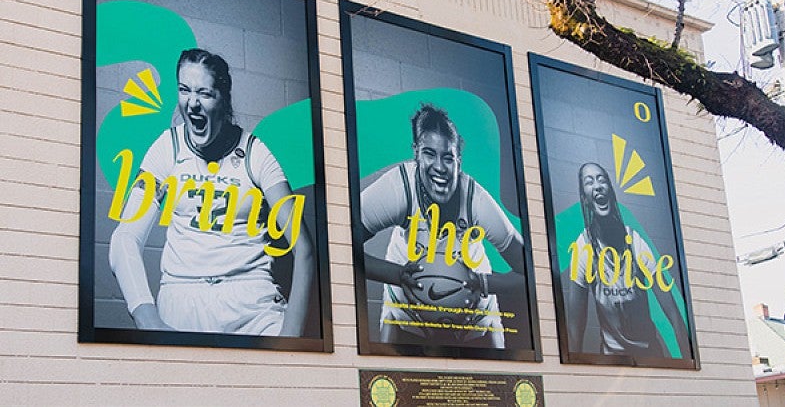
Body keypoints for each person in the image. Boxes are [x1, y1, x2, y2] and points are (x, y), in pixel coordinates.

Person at [109, 48, 314, 337]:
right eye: (184, 90)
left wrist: (291, 338)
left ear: (224, 99)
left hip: (251, 306)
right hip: (181, 300)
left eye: (204, 93)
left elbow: (303, 247)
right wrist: (147, 318)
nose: (192, 104)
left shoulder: (256, 153)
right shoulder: (167, 148)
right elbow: (125, 237)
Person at [360, 104, 525, 348]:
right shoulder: (398, 189)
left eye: (448, 157)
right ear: (416, 153)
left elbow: (530, 271)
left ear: (459, 160)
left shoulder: (476, 201)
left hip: (474, 299)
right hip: (406, 294)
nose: (439, 167)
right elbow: (339, 244)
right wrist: (395, 274)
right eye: (429, 153)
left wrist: (483, 283)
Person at [564, 162, 691, 358]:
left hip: (650, 356)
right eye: (589, 182)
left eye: (602, 179)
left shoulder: (635, 242)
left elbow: (673, 313)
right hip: (611, 359)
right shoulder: (583, 248)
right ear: (585, 198)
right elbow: (574, 327)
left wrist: (689, 363)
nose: (597, 186)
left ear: (611, 191)